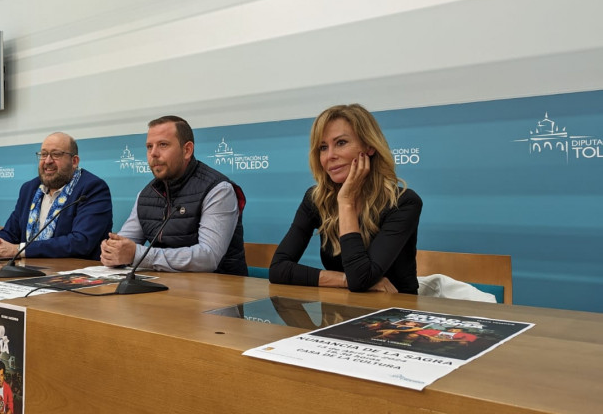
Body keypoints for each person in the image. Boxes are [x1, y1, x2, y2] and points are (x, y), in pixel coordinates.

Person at [269, 104, 422, 293]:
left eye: (341, 143)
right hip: (341, 311)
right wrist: (341, 279)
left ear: (369, 146)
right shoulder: (316, 199)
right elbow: (278, 269)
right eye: (323, 147)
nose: (329, 156)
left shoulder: (403, 202)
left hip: (395, 314)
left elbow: (361, 278)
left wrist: (346, 201)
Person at [100, 116, 247, 275]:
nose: (153, 153)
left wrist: (137, 255)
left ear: (187, 150)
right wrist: (112, 250)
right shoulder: (146, 194)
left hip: (220, 293)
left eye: (163, 145)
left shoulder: (218, 190)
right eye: (149, 147)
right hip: (164, 288)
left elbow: (208, 257)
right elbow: (124, 244)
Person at [0, 132, 112, 260]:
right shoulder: (29, 189)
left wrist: (19, 250)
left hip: (73, 273)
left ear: (74, 161)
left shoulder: (92, 188)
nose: (48, 161)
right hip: (29, 270)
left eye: (56, 154)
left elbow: (81, 242)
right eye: (43, 154)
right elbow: (11, 233)